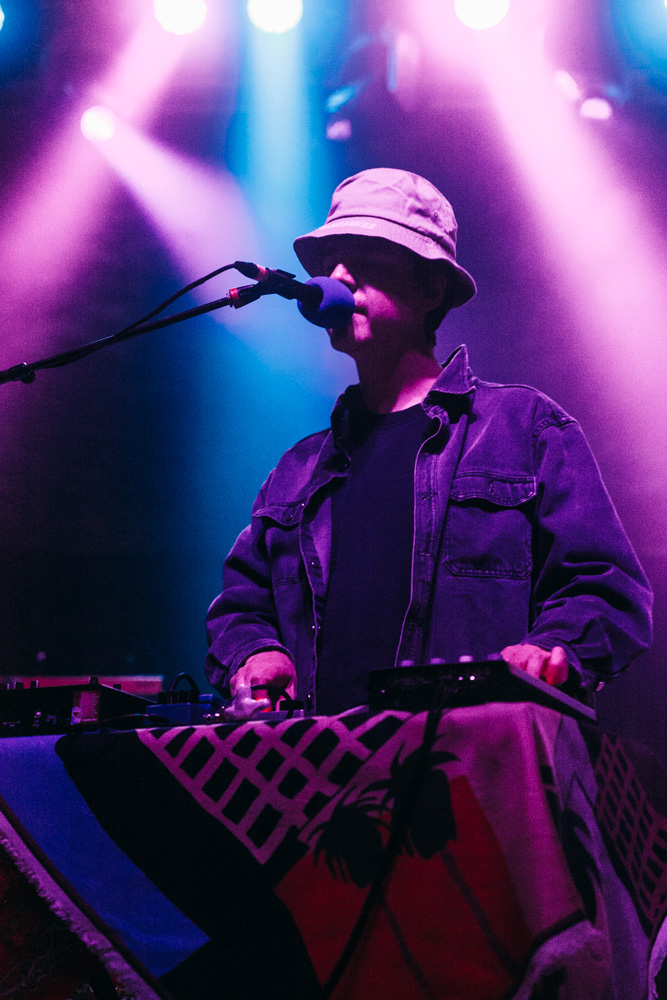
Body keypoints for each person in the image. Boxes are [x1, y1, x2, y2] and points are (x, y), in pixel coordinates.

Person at [205, 168, 652, 714]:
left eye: (365, 256)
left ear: (431, 286)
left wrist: (550, 650)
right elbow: (241, 604)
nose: (336, 275)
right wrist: (256, 652)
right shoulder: (297, 469)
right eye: (327, 263)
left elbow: (607, 589)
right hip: (320, 778)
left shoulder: (526, 427)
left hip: (470, 773)